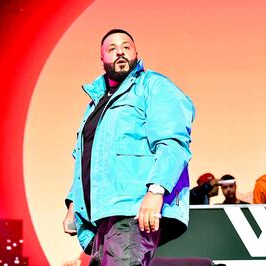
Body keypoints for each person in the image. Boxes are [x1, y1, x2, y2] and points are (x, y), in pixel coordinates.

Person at [62, 29, 195, 265]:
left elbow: (173, 142)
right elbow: (85, 158)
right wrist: (74, 204)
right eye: (112, 49)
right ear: (102, 59)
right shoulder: (96, 104)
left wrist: (156, 191)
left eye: (126, 46)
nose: (120, 52)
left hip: (134, 209)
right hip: (102, 217)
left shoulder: (153, 86)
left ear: (136, 52)